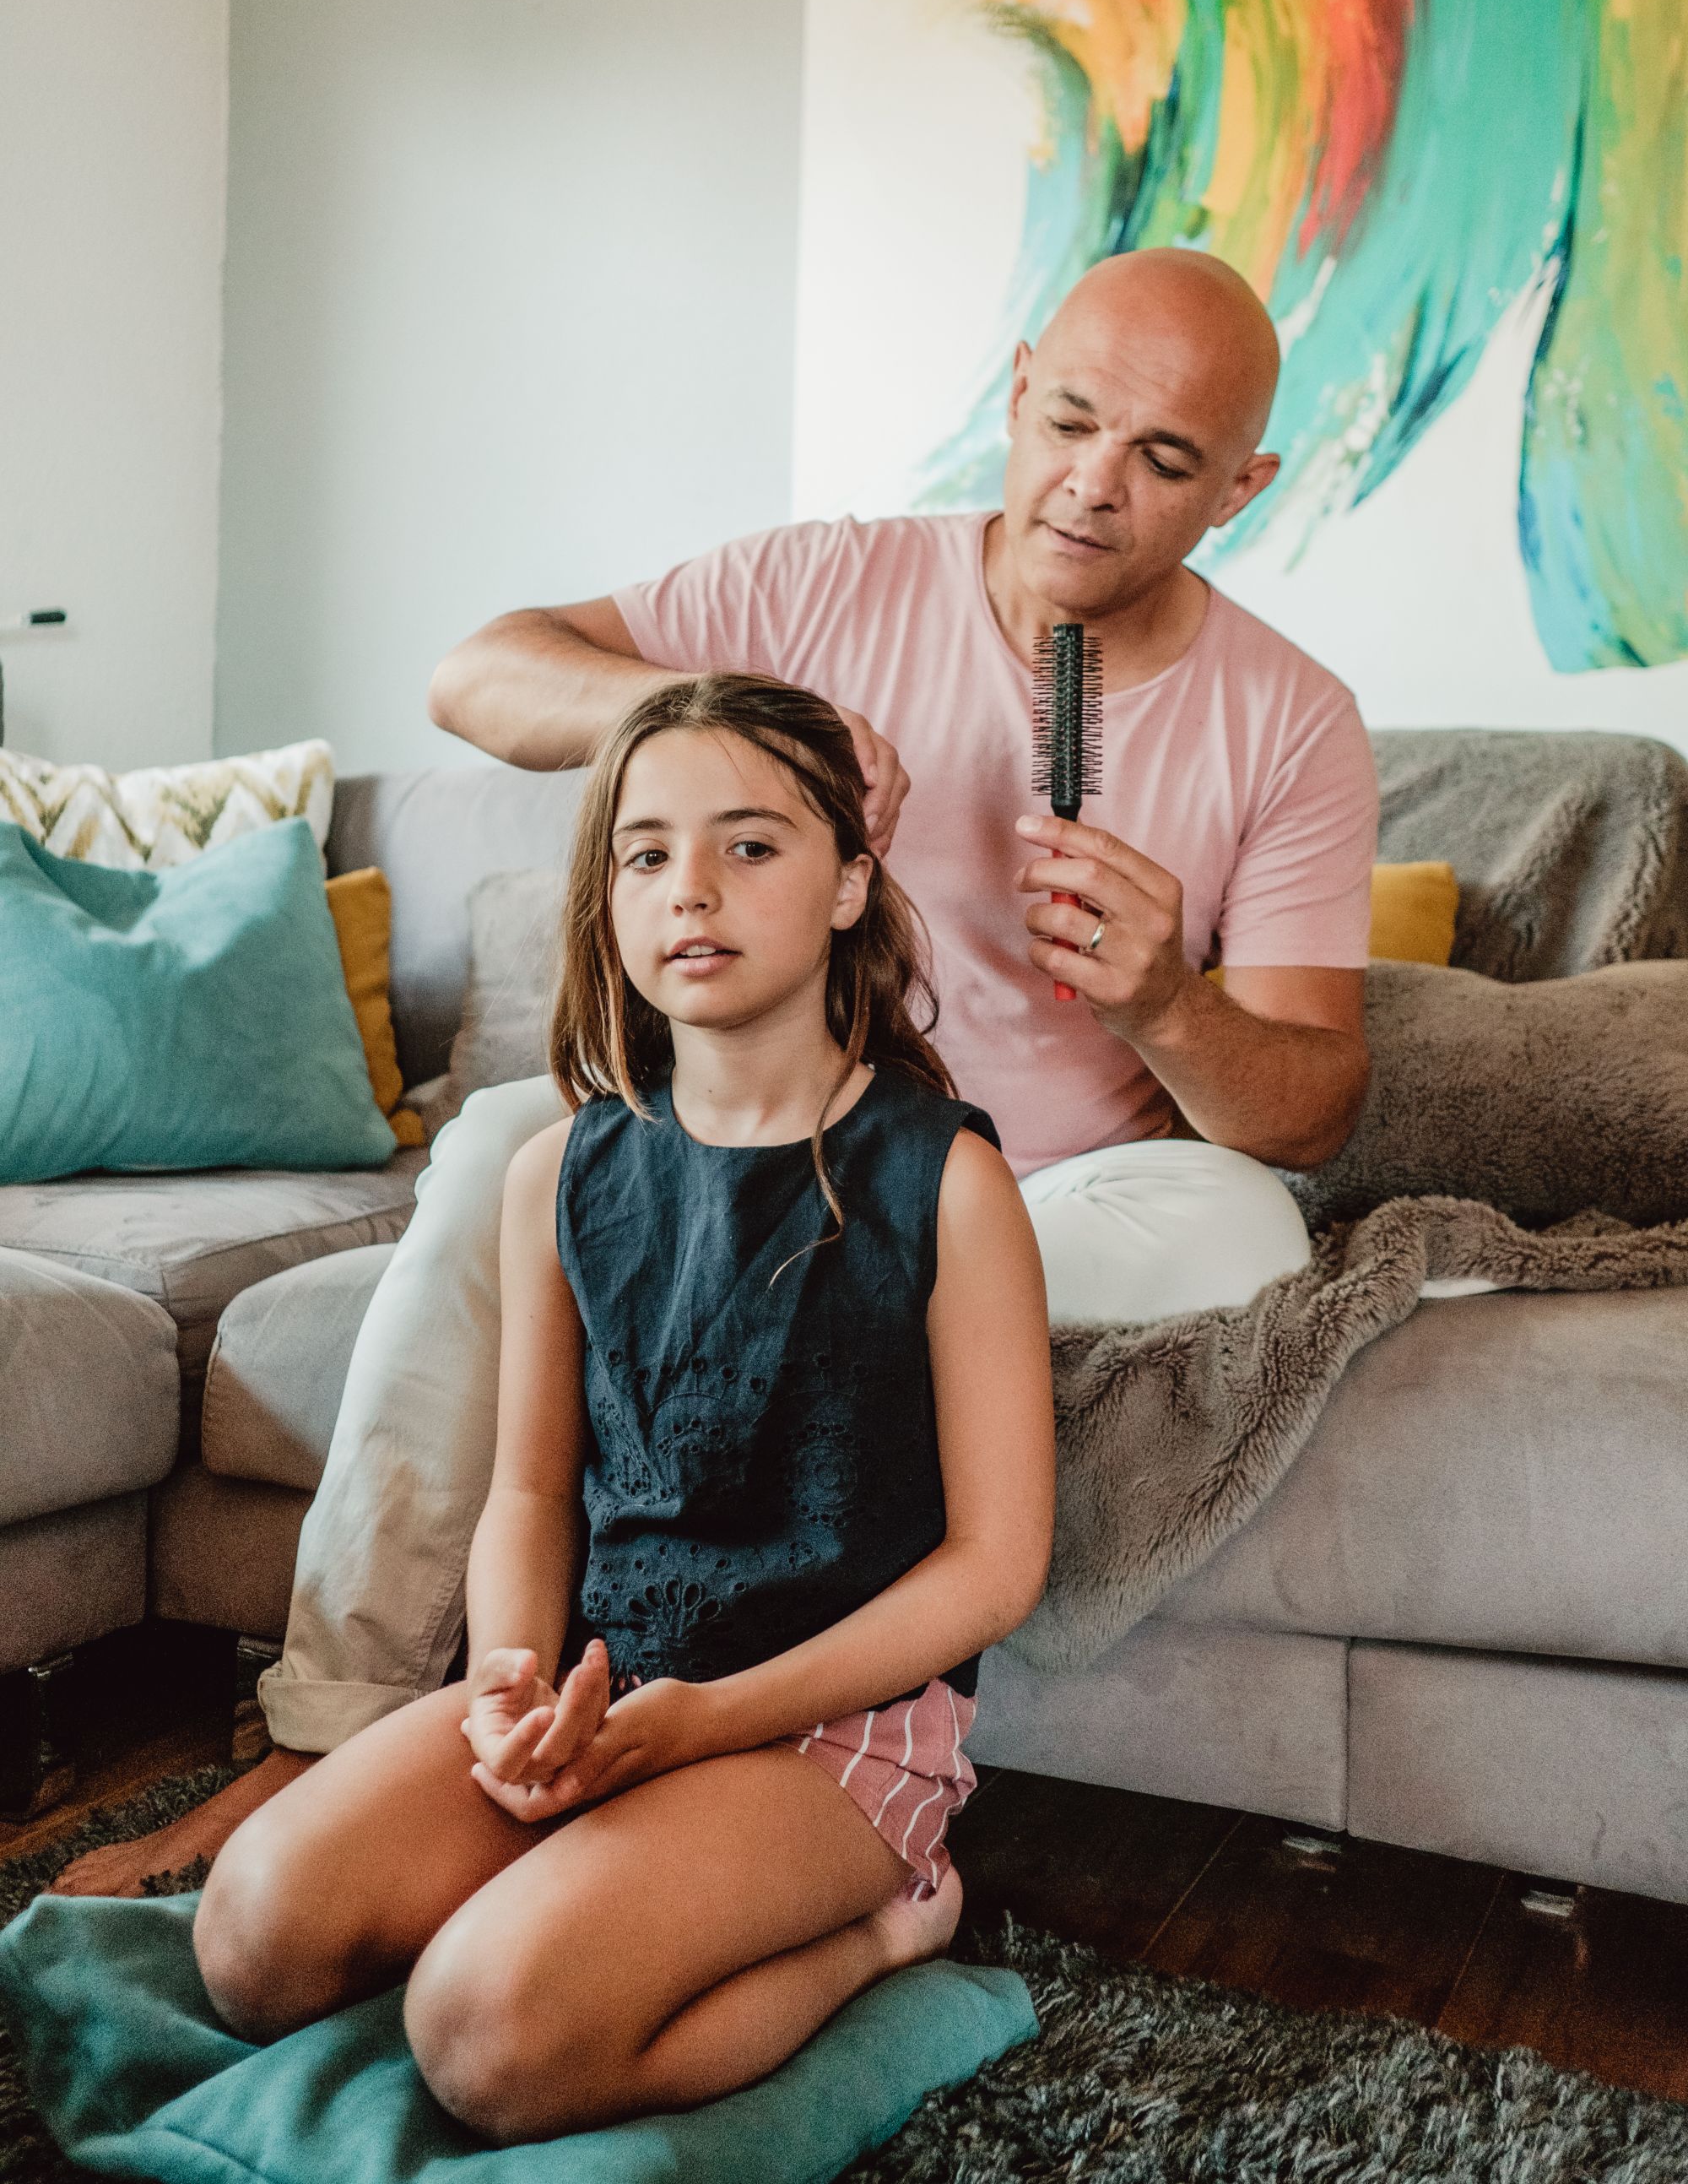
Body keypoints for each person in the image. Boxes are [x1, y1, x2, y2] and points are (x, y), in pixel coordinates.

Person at [58, 244, 1377, 1899]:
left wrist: (1167, 1002)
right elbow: (476, 673)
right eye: (1066, 420)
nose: (1091, 486)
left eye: (1163, 461)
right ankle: (323, 1739)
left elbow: (1309, 1109)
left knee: (1240, 1229)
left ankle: (767, 1529)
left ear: (1237, 488)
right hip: (749, 1145)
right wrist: (732, 720)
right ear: (1019, 376)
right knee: (491, 1157)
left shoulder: (1291, 719)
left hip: (1036, 1197)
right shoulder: (830, 582)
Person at [189, 675, 1055, 2139]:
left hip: (817, 1731)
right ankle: (580, 1878)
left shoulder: (951, 1182)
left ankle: (887, 1929)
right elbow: (528, 1493)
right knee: (253, 1941)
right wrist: (518, 1688)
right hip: (605, 1687)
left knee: (486, 2042)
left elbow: (994, 1570)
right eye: (646, 855)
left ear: (852, 881)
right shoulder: (561, 1174)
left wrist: (697, 1723)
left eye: (751, 846)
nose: (690, 891)